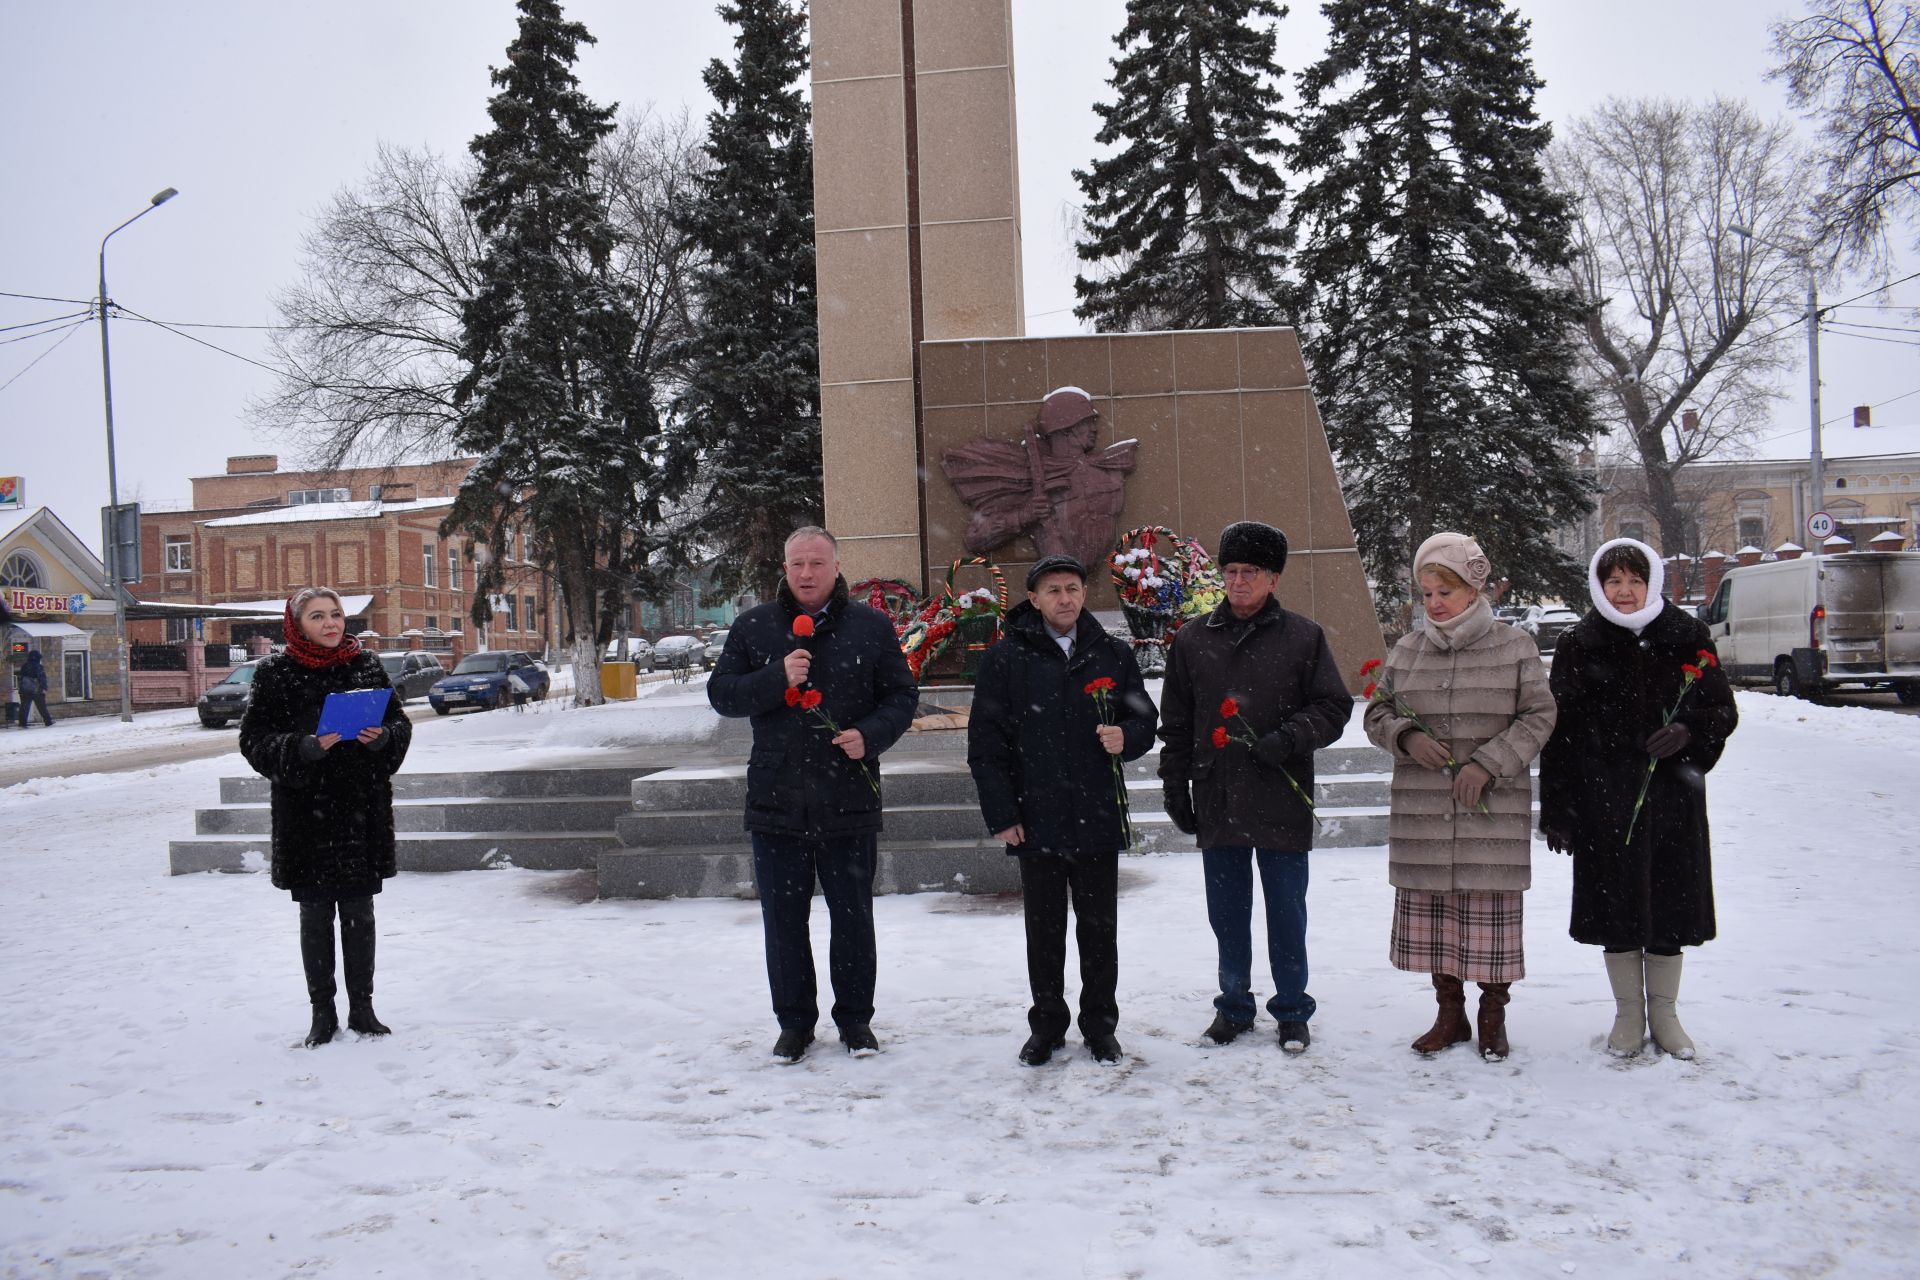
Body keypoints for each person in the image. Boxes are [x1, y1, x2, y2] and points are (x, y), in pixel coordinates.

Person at [708, 527, 919, 1064]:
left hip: (848, 796)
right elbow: (723, 694)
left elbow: (901, 694)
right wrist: (775, 677)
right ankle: (795, 1025)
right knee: (783, 922)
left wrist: (870, 734)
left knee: (853, 918)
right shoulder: (755, 626)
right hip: (777, 799)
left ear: (836, 566)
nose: (806, 574)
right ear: (784, 565)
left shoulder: (871, 626)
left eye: (817, 563)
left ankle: (855, 1022)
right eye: (797, 563)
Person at [1158, 521, 1353, 1053]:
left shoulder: (1302, 636)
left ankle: (1292, 1009)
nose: (1238, 581)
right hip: (1217, 794)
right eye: (1231, 571)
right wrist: (1175, 784)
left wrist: (1289, 739)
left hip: (1280, 794)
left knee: (1287, 910)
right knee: (1227, 912)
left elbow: (1333, 707)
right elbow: (1175, 720)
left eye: (1251, 572)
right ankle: (1234, 1005)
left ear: (1274, 577)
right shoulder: (1193, 639)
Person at [1540, 538, 1736, 1059]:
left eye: (1634, 580)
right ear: (1598, 586)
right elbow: (1558, 733)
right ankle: (1628, 1013)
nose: (1624, 592)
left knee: (1670, 905)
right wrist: (1559, 810)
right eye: (1613, 581)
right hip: (1605, 799)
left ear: (1652, 582)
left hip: (1672, 796)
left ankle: (1666, 1014)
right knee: (1616, 907)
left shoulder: (1688, 634)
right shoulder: (1579, 642)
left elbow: (1721, 709)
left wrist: (1688, 732)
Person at [1363, 533, 1556, 1062]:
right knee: (1436, 920)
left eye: (1444, 590)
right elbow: (1376, 714)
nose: (1434, 603)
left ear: (1473, 588)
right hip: (1424, 814)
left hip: (1490, 816)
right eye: (1425, 593)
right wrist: (1407, 736)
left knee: (1489, 920)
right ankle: (1450, 1013)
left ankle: (1492, 1014)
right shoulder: (1408, 650)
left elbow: (1540, 715)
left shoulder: (1513, 646)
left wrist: (1489, 764)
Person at [967, 554, 1158, 1066]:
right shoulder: (1006, 659)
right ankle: (1047, 1024)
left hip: (1096, 811)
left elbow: (1144, 718)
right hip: (1037, 814)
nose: (1065, 598)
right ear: (1034, 599)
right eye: (1053, 590)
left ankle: (1100, 1025)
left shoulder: (1112, 655)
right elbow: (986, 744)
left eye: (1072, 588)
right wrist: (1003, 813)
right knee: (1044, 929)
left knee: (1100, 929)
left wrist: (1128, 736)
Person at [240, 587, 412, 1047]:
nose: (331, 623)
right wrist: (304, 747)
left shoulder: (366, 664)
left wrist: (381, 739)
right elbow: (254, 741)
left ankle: (363, 1008)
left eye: (336, 614)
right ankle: (322, 1013)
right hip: (306, 815)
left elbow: (400, 724)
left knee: (360, 913)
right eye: (318, 616)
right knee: (315, 917)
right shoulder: (276, 672)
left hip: (360, 810)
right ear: (298, 624)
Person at [16, 649, 54, 728]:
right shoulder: (38, 666)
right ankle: (48, 721)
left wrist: (21, 687)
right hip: (37, 690)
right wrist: (44, 687)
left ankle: (22, 723)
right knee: (42, 707)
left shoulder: (24, 666)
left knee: (24, 707)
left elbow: (20, 677)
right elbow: (41, 678)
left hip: (25, 690)